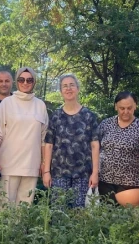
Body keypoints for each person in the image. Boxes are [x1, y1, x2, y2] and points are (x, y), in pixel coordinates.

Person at [0, 67, 48, 206]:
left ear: (34, 82)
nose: (25, 82)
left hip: (31, 165)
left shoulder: (40, 105)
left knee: (24, 210)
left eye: (29, 80)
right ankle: (3, 230)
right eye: (21, 79)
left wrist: (44, 163)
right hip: (8, 164)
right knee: (4, 208)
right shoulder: (7, 103)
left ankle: (21, 230)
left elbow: (44, 138)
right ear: (17, 81)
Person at [42, 74, 100, 208]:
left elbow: (95, 145)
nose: (68, 89)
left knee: (79, 217)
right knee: (58, 215)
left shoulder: (89, 116)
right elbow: (49, 145)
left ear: (78, 89)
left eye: (72, 85)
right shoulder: (56, 116)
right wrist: (46, 172)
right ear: (61, 91)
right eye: (65, 86)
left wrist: (95, 173)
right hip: (59, 174)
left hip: (83, 174)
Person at [98, 91, 139, 206]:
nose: (126, 112)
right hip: (105, 182)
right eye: (122, 108)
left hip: (130, 185)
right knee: (106, 219)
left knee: (128, 221)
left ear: (135, 106)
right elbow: (95, 148)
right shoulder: (105, 124)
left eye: (129, 108)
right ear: (116, 106)